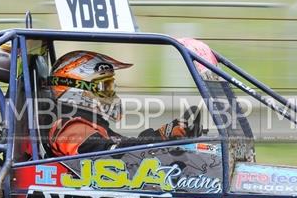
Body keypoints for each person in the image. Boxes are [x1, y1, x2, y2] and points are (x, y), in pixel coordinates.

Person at [45, 50, 190, 157]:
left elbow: (123, 143)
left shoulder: (91, 123)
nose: (111, 92)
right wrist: (160, 138)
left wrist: (163, 135)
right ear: (77, 90)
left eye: (111, 86)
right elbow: (114, 155)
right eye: (105, 86)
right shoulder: (69, 128)